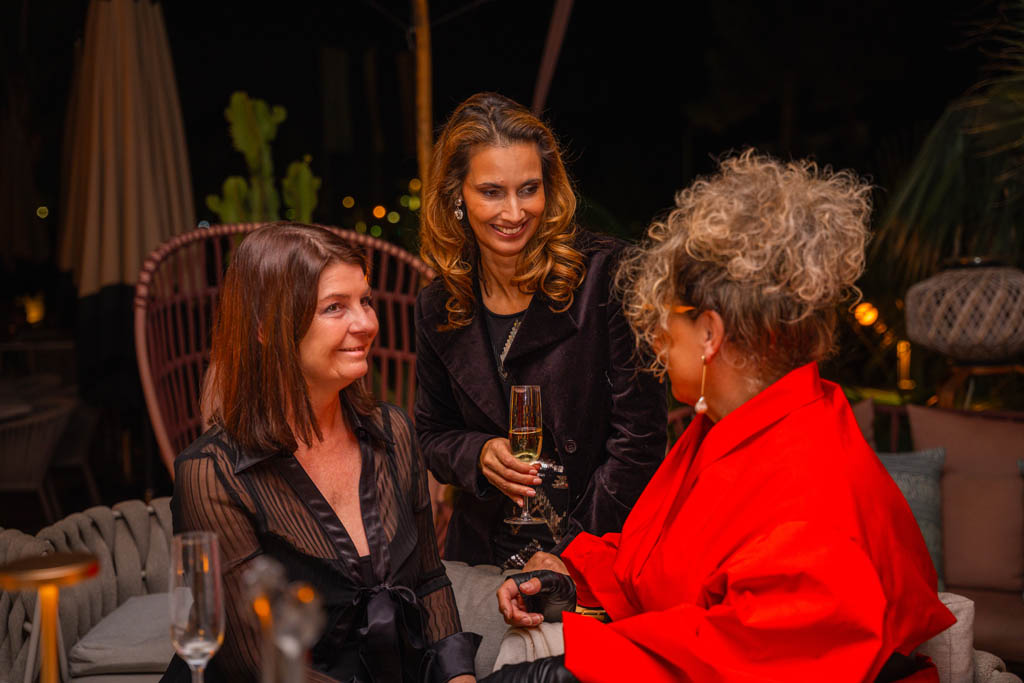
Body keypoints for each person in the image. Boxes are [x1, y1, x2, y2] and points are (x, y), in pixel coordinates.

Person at [488, 151, 956, 682]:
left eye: (664, 317)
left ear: (710, 333)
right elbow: (665, 563)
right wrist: (572, 575)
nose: (655, 337)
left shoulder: (811, 485)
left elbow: (748, 660)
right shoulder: (738, 427)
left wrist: (569, 669)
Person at [164, 223, 478, 683]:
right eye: (335, 307)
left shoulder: (393, 433)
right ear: (266, 329)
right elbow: (258, 661)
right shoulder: (211, 475)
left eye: (365, 301)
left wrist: (460, 678)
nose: (366, 323)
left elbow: (429, 581)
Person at [414, 92, 667, 568]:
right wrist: (477, 453)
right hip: (483, 553)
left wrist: (572, 553)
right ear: (456, 196)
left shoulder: (608, 277)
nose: (514, 212)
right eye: (492, 192)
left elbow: (640, 441)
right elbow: (431, 433)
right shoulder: (438, 305)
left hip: (597, 545)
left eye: (528, 189)